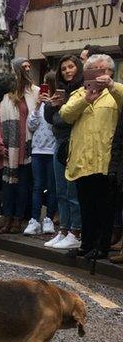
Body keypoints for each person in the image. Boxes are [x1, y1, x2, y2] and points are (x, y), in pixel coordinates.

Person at [59, 53, 123, 261]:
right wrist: (86, 100)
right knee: (86, 206)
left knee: (105, 208)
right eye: (94, 71)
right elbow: (65, 114)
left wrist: (112, 86)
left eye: (102, 71)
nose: (99, 75)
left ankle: (101, 246)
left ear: (111, 72)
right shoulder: (80, 93)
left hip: (105, 161)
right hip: (81, 160)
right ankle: (86, 244)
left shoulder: (116, 92)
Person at [0, 57, 38, 234]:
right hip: (9, 149)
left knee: (23, 187)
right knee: (8, 186)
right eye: (24, 67)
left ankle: (18, 219)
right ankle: (7, 218)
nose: (28, 70)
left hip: (27, 149)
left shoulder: (35, 93)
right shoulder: (3, 97)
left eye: (29, 67)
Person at [42, 54, 85, 250]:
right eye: (64, 68)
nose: (67, 71)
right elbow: (51, 118)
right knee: (60, 190)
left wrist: (60, 109)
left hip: (73, 142)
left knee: (72, 190)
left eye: (71, 67)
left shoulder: (83, 90)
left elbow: (65, 120)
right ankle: (64, 229)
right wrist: (52, 106)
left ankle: (76, 231)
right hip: (58, 143)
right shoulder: (61, 90)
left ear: (79, 68)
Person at [24, 71, 58, 237]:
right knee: (37, 187)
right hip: (37, 150)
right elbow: (31, 125)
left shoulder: (58, 103)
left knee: (52, 187)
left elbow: (57, 124)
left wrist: (52, 105)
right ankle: (34, 220)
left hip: (53, 151)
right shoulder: (39, 105)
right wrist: (37, 106)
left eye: (47, 83)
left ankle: (49, 219)